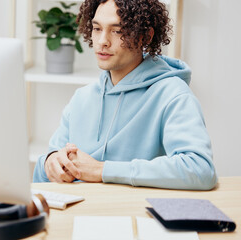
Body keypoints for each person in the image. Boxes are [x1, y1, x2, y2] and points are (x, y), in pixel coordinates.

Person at [33, 0, 217, 190]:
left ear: (145, 36)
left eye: (117, 31)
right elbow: (44, 172)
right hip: (81, 212)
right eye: (97, 28)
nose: (102, 41)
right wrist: (51, 162)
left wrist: (101, 170)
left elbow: (200, 169)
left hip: (136, 213)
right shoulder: (82, 98)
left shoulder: (172, 94)